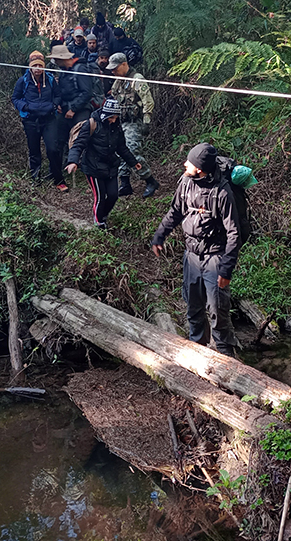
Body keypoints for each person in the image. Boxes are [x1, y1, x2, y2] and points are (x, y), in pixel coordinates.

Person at [151, 143, 241, 357]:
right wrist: (160, 235)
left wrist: (226, 270)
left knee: (217, 310)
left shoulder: (222, 192)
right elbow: (175, 211)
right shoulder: (185, 182)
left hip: (215, 257)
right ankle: (197, 352)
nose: (185, 164)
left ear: (200, 168)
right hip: (191, 255)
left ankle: (226, 358)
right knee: (193, 307)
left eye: (189, 162)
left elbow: (234, 233)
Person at [66, 99, 142, 229]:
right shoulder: (91, 125)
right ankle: (99, 223)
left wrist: (133, 162)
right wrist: (73, 161)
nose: (113, 120)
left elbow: (121, 147)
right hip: (93, 167)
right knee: (100, 197)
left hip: (110, 166)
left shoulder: (117, 126)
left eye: (116, 117)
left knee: (113, 195)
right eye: (111, 117)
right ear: (105, 115)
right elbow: (79, 144)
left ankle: (103, 215)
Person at [11, 51, 68, 191]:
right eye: (35, 65)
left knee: (53, 149)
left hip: (49, 119)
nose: (37, 68)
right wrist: (25, 107)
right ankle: (36, 179)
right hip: (31, 120)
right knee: (34, 150)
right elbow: (15, 98)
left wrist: (54, 105)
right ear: (30, 66)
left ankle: (58, 179)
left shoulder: (50, 79)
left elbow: (58, 95)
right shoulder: (23, 81)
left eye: (40, 65)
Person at [108, 52, 159, 198]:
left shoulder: (137, 79)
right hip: (121, 122)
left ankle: (150, 180)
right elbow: (114, 98)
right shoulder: (118, 81)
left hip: (135, 122)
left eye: (115, 68)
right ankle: (125, 183)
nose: (113, 72)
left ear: (124, 64)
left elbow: (148, 102)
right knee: (119, 151)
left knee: (131, 151)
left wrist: (147, 122)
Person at [49, 44, 103, 131]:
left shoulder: (80, 69)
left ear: (61, 59)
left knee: (80, 134)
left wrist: (73, 109)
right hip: (65, 108)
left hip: (81, 109)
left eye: (56, 60)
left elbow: (87, 92)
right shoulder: (63, 71)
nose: (56, 63)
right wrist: (59, 103)